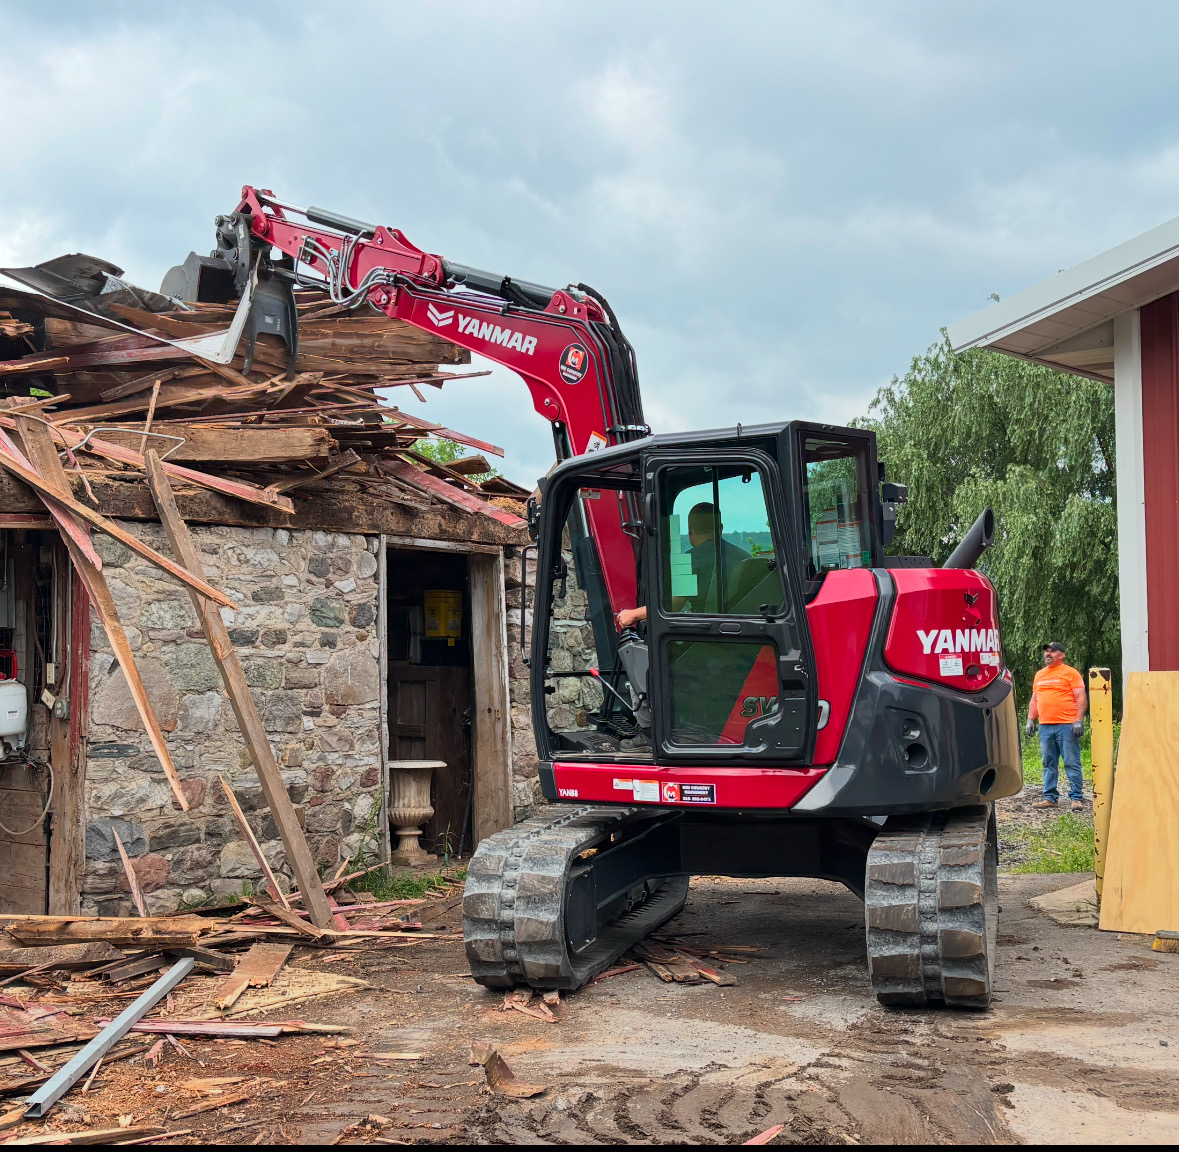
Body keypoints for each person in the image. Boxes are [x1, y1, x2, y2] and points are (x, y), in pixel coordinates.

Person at [615, 502, 750, 628]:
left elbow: (671, 606)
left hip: (708, 635)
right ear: (720, 528)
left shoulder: (689, 560)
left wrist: (633, 614)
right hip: (739, 629)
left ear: (690, 530)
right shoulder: (744, 556)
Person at [1026, 641, 1087, 811]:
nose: (1048, 654)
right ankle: (1050, 798)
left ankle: (1076, 798)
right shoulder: (1039, 675)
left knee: (1071, 761)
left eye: (1052, 651)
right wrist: (1031, 719)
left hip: (1066, 725)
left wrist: (1078, 720)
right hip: (1045, 726)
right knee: (1048, 762)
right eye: (1046, 651)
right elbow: (1035, 699)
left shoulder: (1070, 673)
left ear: (1062, 655)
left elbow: (1081, 698)